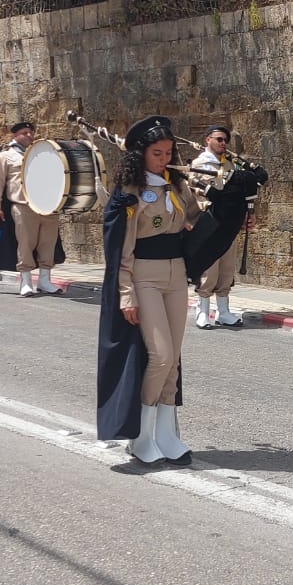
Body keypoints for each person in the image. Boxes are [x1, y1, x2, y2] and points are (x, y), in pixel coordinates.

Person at [107, 115, 200, 464]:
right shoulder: (130, 193)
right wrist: (126, 293)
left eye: (168, 152)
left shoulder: (176, 186)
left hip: (176, 274)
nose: (165, 159)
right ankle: (140, 435)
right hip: (144, 275)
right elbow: (122, 248)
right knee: (159, 354)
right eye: (157, 153)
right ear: (141, 155)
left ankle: (166, 433)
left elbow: (195, 221)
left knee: (172, 358)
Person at [0, 121, 62, 297]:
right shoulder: (6, 156)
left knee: (48, 243)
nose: (29, 135)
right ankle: (26, 281)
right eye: (24, 132)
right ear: (15, 136)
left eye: (31, 132)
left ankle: (45, 280)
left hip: (47, 206)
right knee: (26, 244)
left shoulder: (41, 152)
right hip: (23, 205)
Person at [188, 125, 246, 328]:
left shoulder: (230, 166)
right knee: (209, 269)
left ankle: (223, 311)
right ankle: (202, 310)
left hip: (229, 224)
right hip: (210, 222)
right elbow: (197, 195)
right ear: (208, 140)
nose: (223, 143)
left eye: (225, 140)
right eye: (219, 139)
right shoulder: (198, 165)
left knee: (226, 269)